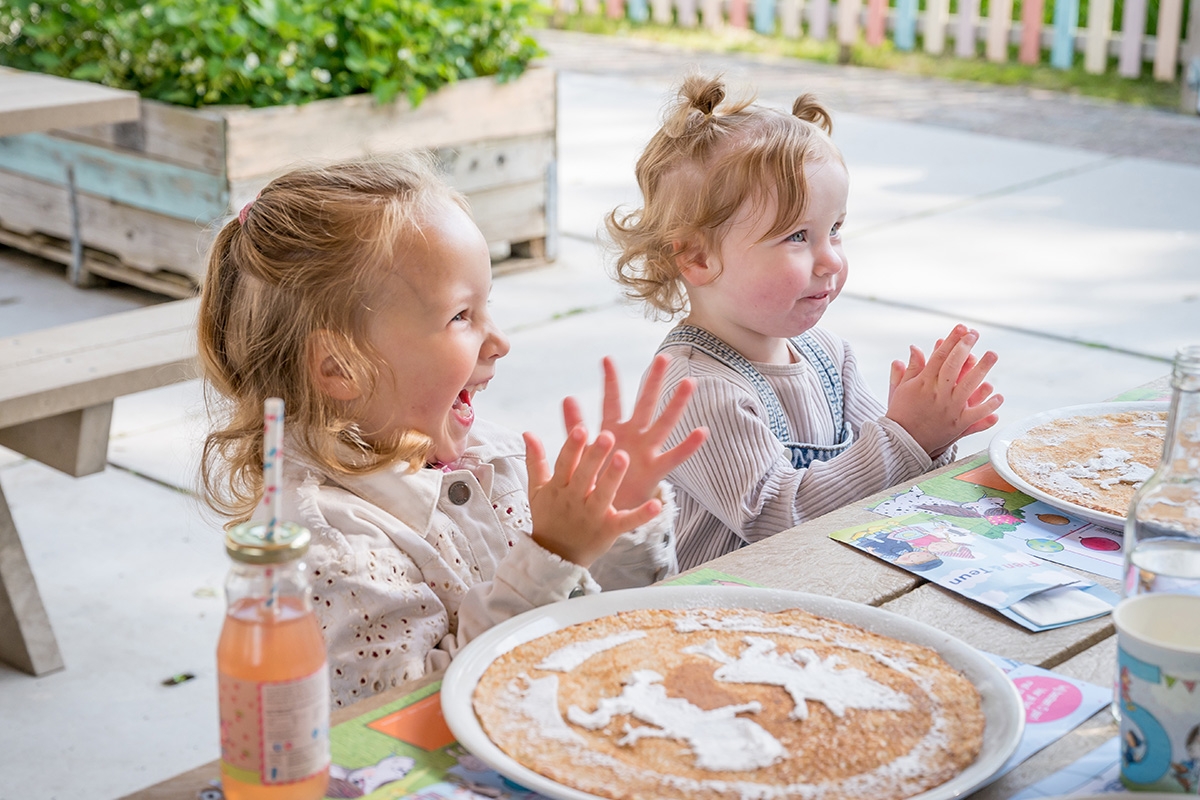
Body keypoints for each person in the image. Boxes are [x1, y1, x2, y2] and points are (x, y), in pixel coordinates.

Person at [197, 153, 707, 707]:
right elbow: (407, 711)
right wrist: (551, 554)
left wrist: (614, 520)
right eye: (461, 316)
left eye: (488, 306)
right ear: (341, 367)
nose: (500, 341)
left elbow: (605, 620)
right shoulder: (331, 543)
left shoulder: (494, 457)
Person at [607, 74, 1003, 570]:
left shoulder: (829, 356)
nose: (831, 259)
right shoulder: (696, 387)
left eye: (834, 229)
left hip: (817, 582)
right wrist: (907, 435)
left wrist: (932, 435)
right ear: (697, 258)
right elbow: (778, 517)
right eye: (797, 236)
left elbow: (881, 483)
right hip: (729, 601)